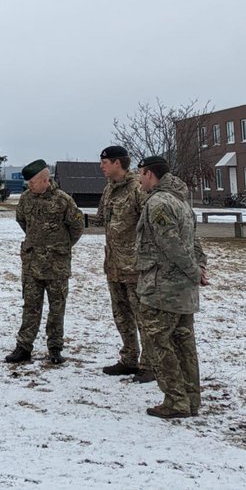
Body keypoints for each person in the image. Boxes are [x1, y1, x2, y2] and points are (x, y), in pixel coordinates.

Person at [135, 155, 207, 419]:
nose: (138, 178)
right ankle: (191, 399)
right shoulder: (181, 201)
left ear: (150, 174)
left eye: (140, 173)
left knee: (159, 344)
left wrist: (194, 270)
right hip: (181, 289)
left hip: (162, 289)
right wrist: (199, 267)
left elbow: (173, 244)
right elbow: (194, 241)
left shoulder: (159, 203)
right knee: (184, 344)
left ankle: (176, 401)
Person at [5, 159, 84, 365]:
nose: (29, 185)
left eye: (32, 182)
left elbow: (77, 227)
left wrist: (61, 247)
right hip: (32, 264)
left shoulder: (63, 200)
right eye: (28, 183)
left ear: (45, 180)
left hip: (56, 265)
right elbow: (22, 221)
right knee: (30, 306)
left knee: (57, 308)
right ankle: (24, 347)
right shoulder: (25, 199)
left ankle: (55, 348)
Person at [93, 144, 153, 381]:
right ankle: (129, 359)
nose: (101, 167)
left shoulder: (138, 189)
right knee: (121, 315)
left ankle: (150, 364)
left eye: (104, 163)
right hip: (114, 265)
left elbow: (150, 225)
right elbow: (100, 219)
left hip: (135, 267)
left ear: (118, 163)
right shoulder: (109, 189)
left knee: (143, 317)